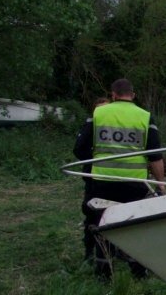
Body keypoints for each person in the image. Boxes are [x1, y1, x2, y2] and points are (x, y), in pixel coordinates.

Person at [73, 79, 166, 279]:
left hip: (102, 182)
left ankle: (103, 274)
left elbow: (80, 148)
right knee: (134, 227)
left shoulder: (99, 114)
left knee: (103, 224)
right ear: (133, 95)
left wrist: (92, 164)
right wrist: (160, 183)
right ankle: (139, 273)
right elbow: (156, 156)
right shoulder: (145, 116)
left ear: (113, 94)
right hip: (134, 184)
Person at [74, 97, 109, 261]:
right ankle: (90, 251)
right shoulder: (90, 125)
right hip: (94, 176)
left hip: (115, 176)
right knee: (93, 214)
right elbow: (79, 149)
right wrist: (95, 159)